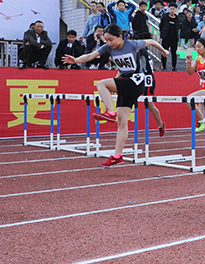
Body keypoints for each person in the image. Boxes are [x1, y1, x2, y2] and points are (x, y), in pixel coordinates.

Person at [64, 24, 169, 166]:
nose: (108, 43)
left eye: (111, 39)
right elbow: (91, 55)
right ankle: (117, 154)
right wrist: (76, 60)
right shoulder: (108, 48)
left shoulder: (132, 44)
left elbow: (151, 42)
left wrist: (163, 51)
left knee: (101, 84)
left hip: (136, 82)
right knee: (122, 122)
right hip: (126, 83)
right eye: (106, 40)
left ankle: (109, 111)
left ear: (120, 37)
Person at [159, 3, 182, 70]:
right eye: (171, 8)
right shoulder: (165, 17)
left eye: (173, 9)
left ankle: (174, 67)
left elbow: (178, 27)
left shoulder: (177, 18)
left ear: (176, 10)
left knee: (174, 53)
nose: (172, 10)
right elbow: (161, 26)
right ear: (168, 9)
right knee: (164, 52)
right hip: (166, 37)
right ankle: (164, 67)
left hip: (174, 38)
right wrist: (162, 34)